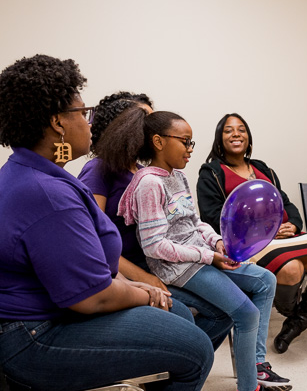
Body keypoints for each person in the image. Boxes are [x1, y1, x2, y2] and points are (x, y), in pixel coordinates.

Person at [0, 54, 213, 391]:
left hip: (46, 315)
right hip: (34, 335)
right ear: (58, 123)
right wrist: (142, 293)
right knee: (196, 349)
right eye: (84, 113)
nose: (89, 123)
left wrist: (134, 287)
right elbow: (91, 298)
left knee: (180, 316)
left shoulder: (30, 173)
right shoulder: (49, 194)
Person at [114, 107, 291, 391]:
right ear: (159, 142)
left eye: (191, 142)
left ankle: (198, 358)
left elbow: (196, 223)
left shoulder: (178, 177)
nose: (190, 149)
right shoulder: (149, 183)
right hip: (177, 268)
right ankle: (249, 385)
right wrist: (210, 256)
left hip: (199, 258)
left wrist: (218, 242)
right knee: (246, 314)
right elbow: (154, 245)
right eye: (184, 141)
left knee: (266, 280)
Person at [78, 92, 233, 349]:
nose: (153, 127)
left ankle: (186, 365)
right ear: (123, 125)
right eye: (145, 120)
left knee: (228, 308)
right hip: (129, 271)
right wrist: (145, 278)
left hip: (160, 261)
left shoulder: (145, 173)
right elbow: (94, 243)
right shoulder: (99, 170)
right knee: (200, 315)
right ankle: (185, 362)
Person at [197, 113, 307, 353]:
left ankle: (297, 322)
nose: (236, 134)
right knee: (291, 268)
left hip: (285, 236)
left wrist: (294, 225)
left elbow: (286, 204)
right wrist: (260, 232)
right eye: (228, 130)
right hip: (249, 243)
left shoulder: (262, 168)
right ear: (219, 138)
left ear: (248, 136)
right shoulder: (211, 173)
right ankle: (295, 314)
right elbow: (212, 217)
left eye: (241, 129)